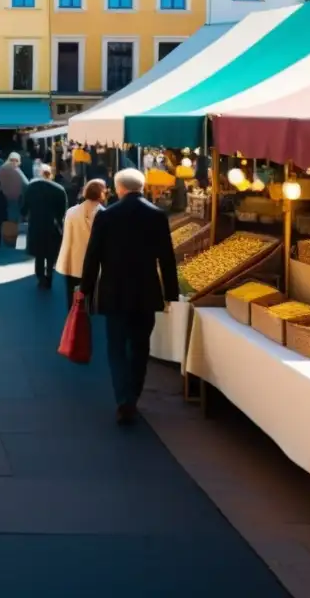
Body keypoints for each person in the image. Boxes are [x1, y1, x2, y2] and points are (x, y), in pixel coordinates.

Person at [80, 169, 178, 426]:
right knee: (140, 346)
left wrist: (85, 289)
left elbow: (93, 257)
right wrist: (171, 293)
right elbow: (167, 258)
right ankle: (133, 395)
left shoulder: (107, 216)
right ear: (142, 187)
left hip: (114, 290)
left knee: (116, 347)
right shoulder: (157, 215)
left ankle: (123, 398)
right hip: (146, 290)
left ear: (118, 188)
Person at [57, 178, 107, 312]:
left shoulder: (71, 211)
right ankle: (87, 313)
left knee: (71, 292)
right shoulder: (103, 213)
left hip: (71, 259)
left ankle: (72, 314)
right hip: (93, 262)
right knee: (90, 292)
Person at [21, 165, 68, 289]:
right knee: (50, 252)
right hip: (52, 225)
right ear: (50, 174)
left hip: (36, 224)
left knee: (39, 253)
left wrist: (24, 215)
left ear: (40, 174)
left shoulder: (31, 188)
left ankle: (40, 277)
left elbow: (24, 207)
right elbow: (63, 210)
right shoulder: (59, 189)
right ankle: (49, 275)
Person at [0, 152, 28, 225]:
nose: (14, 162)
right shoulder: (8, 169)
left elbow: (26, 183)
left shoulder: (15, 169)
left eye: (16, 160)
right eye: (12, 160)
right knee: (11, 217)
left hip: (13, 197)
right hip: (8, 197)